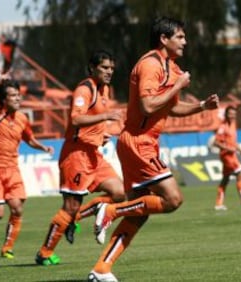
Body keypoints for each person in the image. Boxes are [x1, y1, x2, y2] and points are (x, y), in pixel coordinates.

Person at [87, 17, 219, 282]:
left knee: (140, 214)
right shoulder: (150, 65)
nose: (185, 42)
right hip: (139, 142)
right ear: (164, 38)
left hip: (143, 142)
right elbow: (148, 106)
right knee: (173, 199)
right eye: (180, 37)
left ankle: (101, 269)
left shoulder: (172, 67)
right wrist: (180, 86)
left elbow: (171, 107)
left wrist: (201, 106)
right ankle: (110, 210)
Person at [34, 50, 125, 266]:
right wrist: (105, 117)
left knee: (120, 192)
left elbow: (92, 120)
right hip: (76, 155)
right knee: (70, 206)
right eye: (104, 67)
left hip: (93, 153)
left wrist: (101, 133)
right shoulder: (85, 89)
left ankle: (77, 218)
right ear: (92, 68)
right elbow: (75, 119)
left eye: (111, 68)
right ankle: (44, 253)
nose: (109, 72)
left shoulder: (105, 89)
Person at [0, 73, 54, 259]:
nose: (17, 98)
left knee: (17, 208)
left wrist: (42, 147)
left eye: (18, 95)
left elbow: (29, 139)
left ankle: (7, 248)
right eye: (12, 95)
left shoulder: (22, 118)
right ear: (3, 99)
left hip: (13, 170)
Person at [214, 105, 241, 211]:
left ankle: (218, 204)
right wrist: (228, 148)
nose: (232, 115)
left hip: (231, 155)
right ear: (226, 114)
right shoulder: (222, 127)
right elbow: (216, 142)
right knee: (239, 175)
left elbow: (233, 142)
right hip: (226, 156)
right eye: (230, 113)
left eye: (234, 114)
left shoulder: (233, 125)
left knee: (225, 179)